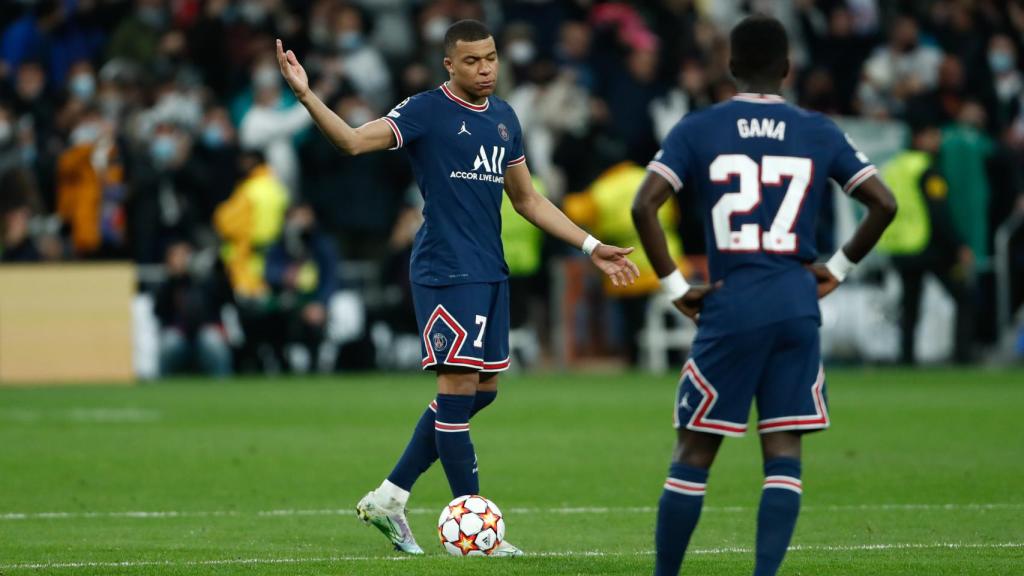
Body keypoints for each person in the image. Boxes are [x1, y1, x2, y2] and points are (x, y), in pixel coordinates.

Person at [276, 19, 639, 556]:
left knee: (482, 393)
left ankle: (389, 496)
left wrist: (590, 246)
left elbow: (529, 201)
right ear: (449, 64)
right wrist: (308, 96)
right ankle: (477, 533)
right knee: (456, 392)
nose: (486, 68)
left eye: (490, 57)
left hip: (490, 271)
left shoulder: (504, 118)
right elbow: (352, 142)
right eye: (472, 60)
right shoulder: (425, 110)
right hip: (446, 270)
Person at [631, 16, 897, 576]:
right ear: (788, 69)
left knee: (695, 451)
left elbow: (644, 205)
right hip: (797, 303)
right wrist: (839, 268)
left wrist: (677, 287)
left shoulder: (698, 128)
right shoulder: (818, 129)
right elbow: (884, 203)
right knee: (783, 455)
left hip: (734, 302)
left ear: (729, 68)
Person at [879, 118, 974, 364]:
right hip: (929, 247)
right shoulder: (926, 169)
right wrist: (958, 244)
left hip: (901, 247)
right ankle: (961, 355)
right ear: (919, 139)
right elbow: (938, 212)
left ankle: (906, 357)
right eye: (933, 136)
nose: (937, 141)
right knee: (963, 296)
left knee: (910, 304)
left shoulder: (895, 166)